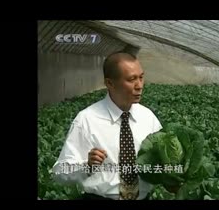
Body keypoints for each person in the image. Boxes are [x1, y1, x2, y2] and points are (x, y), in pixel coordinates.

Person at [52, 51, 163, 200]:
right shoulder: (86, 120)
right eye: (131, 79)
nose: (139, 85)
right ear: (109, 83)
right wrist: (87, 166)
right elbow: (59, 173)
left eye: (141, 77)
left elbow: (163, 162)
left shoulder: (148, 118)